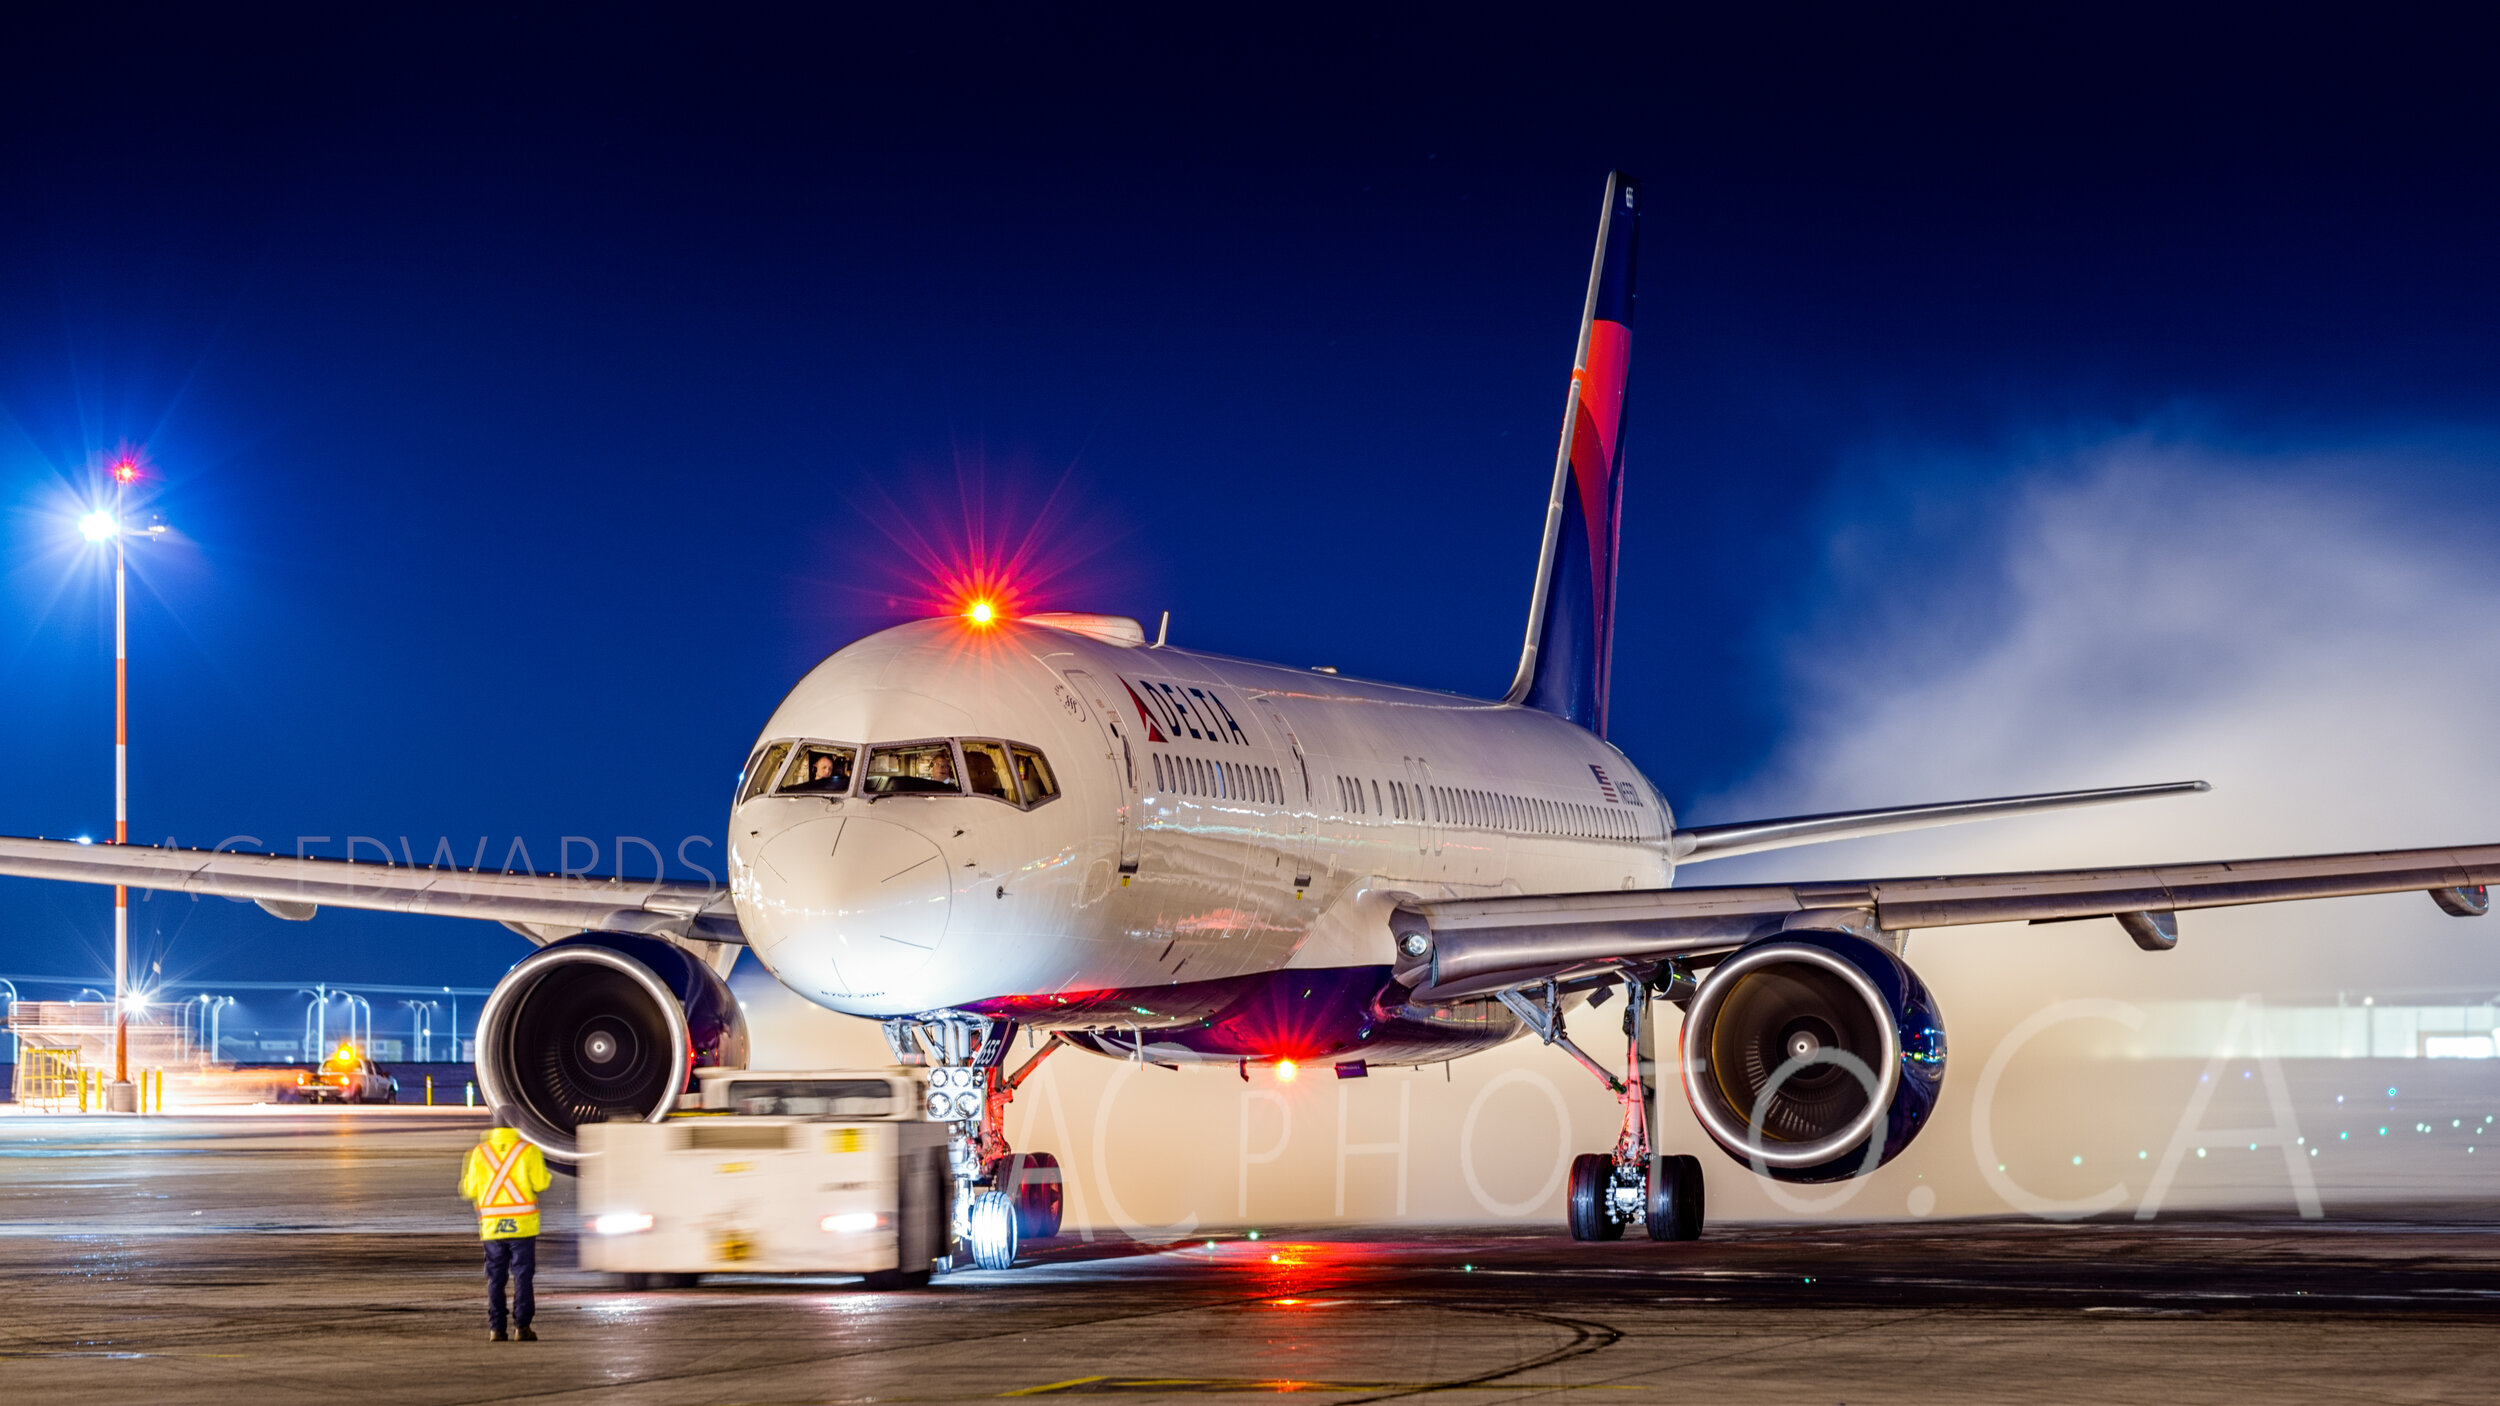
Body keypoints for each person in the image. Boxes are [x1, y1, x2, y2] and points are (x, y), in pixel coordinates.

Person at [460, 1106, 551, 1342]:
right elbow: (541, 1184)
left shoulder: (479, 1153)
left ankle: (496, 1329)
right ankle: (522, 1327)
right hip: (522, 1227)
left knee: (496, 1278)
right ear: (518, 1125)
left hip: (492, 1228)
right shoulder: (528, 1151)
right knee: (522, 1276)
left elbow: (469, 1189)